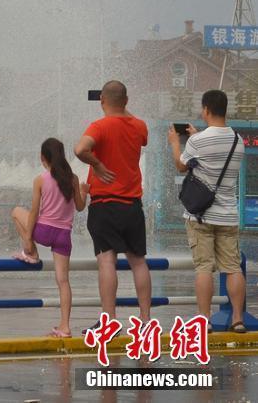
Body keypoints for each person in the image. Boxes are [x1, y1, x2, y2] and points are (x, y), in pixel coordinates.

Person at [168, 89, 247, 333]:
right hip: (228, 216)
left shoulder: (197, 141)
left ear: (206, 110)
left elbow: (182, 166)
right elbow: (217, 153)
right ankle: (237, 319)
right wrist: (199, 135)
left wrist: (175, 143)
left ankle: (205, 320)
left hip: (200, 216)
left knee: (204, 268)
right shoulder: (238, 141)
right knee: (232, 267)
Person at [74, 80, 151, 329]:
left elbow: (80, 149)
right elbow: (133, 124)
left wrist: (96, 164)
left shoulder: (100, 126)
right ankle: (145, 320)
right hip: (132, 205)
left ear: (102, 101)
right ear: (127, 101)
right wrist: (120, 105)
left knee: (107, 261)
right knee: (138, 261)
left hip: (105, 205)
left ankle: (109, 322)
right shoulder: (139, 126)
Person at [11, 137, 87, 337]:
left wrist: (28, 239)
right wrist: (84, 192)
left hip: (43, 232)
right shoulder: (73, 179)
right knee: (63, 281)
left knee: (17, 211)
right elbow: (80, 207)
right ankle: (65, 327)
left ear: (43, 157)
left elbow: (34, 212)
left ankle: (32, 253)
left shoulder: (41, 179)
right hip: (63, 236)